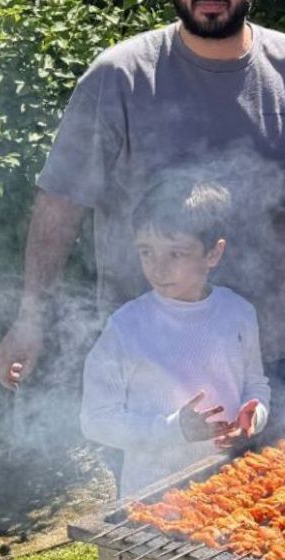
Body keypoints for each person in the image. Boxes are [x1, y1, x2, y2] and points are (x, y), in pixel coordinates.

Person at [0, 0, 285, 439]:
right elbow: (60, 203)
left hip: (274, 354)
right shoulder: (118, 77)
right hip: (150, 357)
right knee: (160, 518)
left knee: (282, 512)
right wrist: (30, 317)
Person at [80, 178, 267, 498]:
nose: (158, 268)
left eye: (175, 254)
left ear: (213, 253)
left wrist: (255, 415)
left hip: (227, 489)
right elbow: (95, 420)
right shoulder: (126, 327)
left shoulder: (239, 313)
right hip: (152, 499)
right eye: (146, 252)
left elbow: (256, 385)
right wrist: (172, 429)